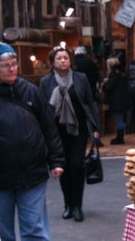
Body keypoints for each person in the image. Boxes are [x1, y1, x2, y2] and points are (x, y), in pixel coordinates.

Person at [0, 41, 64, 241]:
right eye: (5, 65)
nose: (12, 68)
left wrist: (56, 159)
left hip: (32, 174)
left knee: (34, 231)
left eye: (14, 63)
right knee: (2, 233)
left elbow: (48, 127)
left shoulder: (31, 91)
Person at [40, 46, 100, 222]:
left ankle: (78, 206)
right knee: (62, 168)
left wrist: (96, 128)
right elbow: (43, 108)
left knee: (77, 166)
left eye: (65, 58)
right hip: (57, 130)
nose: (63, 61)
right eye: (59, 58)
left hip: (78, 129)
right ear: (53, 62)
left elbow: (90, 102)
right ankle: (68, 204)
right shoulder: (46, 82)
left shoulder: (81, 78)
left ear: (70, 60)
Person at [102, 57, 129, 144]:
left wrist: (105, 84)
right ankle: (119, 137)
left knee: (119, 118)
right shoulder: (121, 72)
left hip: (116, 100)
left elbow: (110, 87)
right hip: (122, 99)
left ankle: (120, 138)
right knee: (120, 117)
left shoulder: (114, 74)